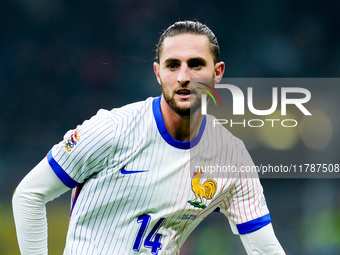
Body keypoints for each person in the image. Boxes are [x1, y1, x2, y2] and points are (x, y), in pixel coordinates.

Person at [12, 20, 285, 255]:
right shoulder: (111, 129)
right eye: (172, 65)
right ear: (158, 73)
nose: (183, 77)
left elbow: (265, 248)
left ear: (217, 73)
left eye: (196, 65)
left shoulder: (232, 157)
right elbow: (29, 195)